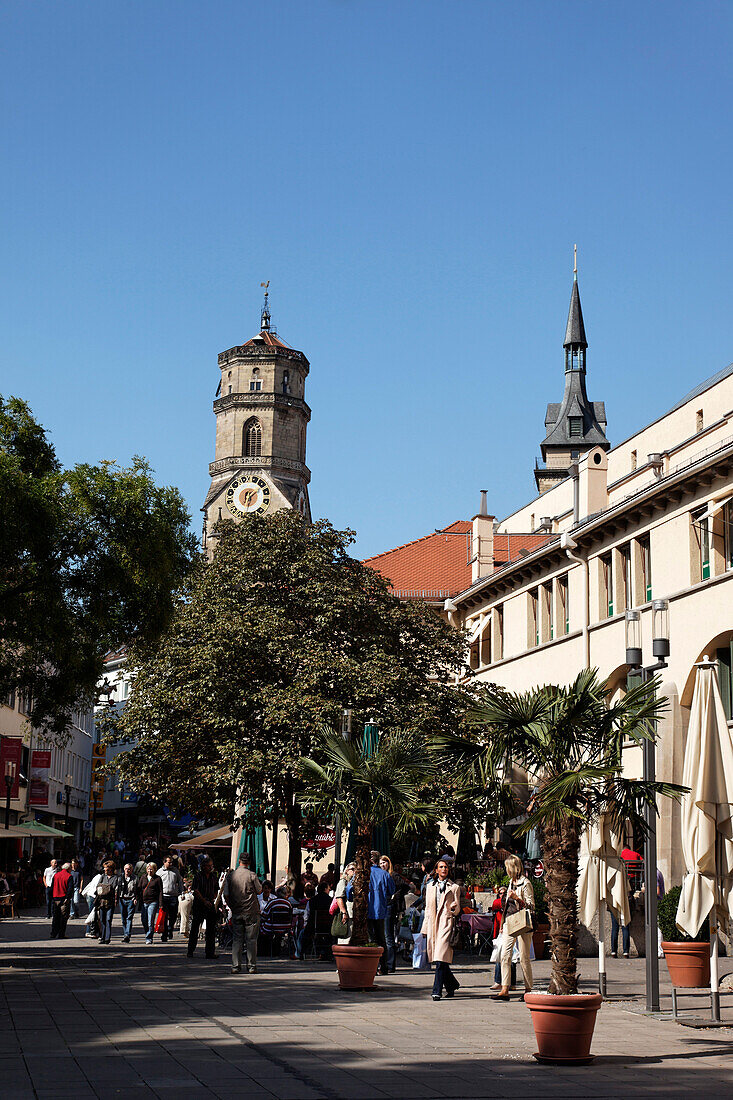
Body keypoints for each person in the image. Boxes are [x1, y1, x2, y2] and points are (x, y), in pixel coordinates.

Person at [493, 855, 534, 1000]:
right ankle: (505, 988)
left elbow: (531, 906)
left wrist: (517, 898)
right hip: (510, 922)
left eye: (507, 867)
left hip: (522, 923)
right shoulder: (511, 883)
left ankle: (528, 988)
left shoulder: (525, 883)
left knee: (524, 957)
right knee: (505, 955)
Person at [424, 857, 462, 1000]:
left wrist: (454, 908)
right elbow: (428, 909)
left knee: (440, 958)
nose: (444, 869)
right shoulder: (430, 887)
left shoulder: (454, 887)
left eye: (446, 867)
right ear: (436, 870)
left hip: (446, 924)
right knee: (440, 959)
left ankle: (436, 991)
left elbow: (457, 909)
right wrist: (425, 929)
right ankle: (452, 984)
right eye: (441, 867)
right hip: (434, 924)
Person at [222, 852, 263, 974]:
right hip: (251, 911)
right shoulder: (251, 875)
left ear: (239, 861)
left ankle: (235, 966)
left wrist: (232, 906)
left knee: (237, 939)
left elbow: (226, 894)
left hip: (237, 910)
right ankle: (251, 966)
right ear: (249, 862)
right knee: (251, 940)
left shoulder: (231, 876)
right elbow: (260, 891)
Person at [366, 850, 395, 977]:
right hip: (380, 910)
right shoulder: (384, 874)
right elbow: (391, 890)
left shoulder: (363, 874)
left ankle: (371, 966)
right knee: (381, 939)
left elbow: (350, 890)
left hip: (366, 910)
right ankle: (383, 966)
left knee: (369, 938)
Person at [187, 856, 220, 959]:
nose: (210, 868)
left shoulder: (214, 876)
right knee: (195, 928)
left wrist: (212, 900)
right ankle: (190, 950)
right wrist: (204, 901)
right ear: (203, 866)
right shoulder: (198, 876)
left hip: (210, 904)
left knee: (211, 929)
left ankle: (210, 952)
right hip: (199, 904)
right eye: (208, 866)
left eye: (211, 866)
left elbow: (216, 889)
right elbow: (195, 890)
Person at [157, 854, 184, 942]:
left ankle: (170, 928)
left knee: (173, 915)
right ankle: (164, 934)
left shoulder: (175, 871)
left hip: (173, 896)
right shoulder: (159, 872)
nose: (170, 864)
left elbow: (179, 882)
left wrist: (182, 892)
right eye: (169, 862)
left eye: (171, 862)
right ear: (164, 862)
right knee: (164, 916)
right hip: (164, 896)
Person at [138, 862, 164, 946]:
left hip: (153, 902)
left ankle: (149, 938)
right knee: (144, 920)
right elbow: (139, 888)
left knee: (150, 921)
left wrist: (160, 903)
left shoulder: (157, 879)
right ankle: (147, 933)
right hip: (144, 902)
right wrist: (136, 898)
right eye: (148, 869)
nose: (150, 870)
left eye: (151, 869)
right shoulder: (143, 877)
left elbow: (160, 891)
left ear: (154, 870)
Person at [95, 860, 119, 945]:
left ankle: (107, 938)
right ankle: (102, 937)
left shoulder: (115, 878)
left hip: (110, 901)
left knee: (108, 919)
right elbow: (98, 887)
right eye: (105, 869)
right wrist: (106, 888)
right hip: (101, 901)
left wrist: (105, 888)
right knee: (102, 920)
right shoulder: (102, 876)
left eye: (107, 869)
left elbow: (114, 888)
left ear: (111, 869)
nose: (105, 871)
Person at [50, 861, 73, 939]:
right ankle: (61, 934)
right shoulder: (69, 876)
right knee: (63, 917)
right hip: (63, 899)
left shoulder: (56, 875)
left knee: (56, 917)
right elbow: (70, 889)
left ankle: (53, 933)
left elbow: (52, 887)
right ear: (68, 869)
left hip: (55, 898)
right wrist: (68, 898)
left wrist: (52, 897)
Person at [333, 863, 355, 945]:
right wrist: (344, 912)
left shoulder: (355, 883)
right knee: (346, 938)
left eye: (355, 869)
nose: (354, 871)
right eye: (352, 869)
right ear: (346, 871)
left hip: (354, 914)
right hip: (347, 914)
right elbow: (339, 898)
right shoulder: (343, 882)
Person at [118, 863, 138, 942]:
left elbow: (137, 889)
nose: (127, 870)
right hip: (122, 899)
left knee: (129, 917)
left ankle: (127, 934)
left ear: (131, 870)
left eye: (129, 869)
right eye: (126, 869)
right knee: (123, 918)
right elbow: (117, 888)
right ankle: (125, 933)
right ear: (124, 869)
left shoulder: (135, 878)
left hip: (131, 899)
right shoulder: (120, 877)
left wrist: (136, 898)